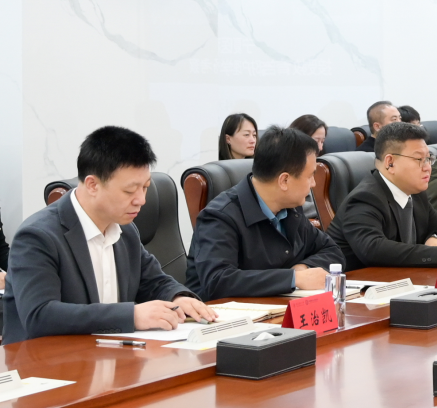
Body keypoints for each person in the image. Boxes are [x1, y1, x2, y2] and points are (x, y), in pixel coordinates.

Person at [2, 127, 214, 344]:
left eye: (145, 187)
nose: (141, 200)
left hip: (108, 354)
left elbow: (153, 282)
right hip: (44, 360)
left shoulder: (126, 230)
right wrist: (132, 316)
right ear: (93, 185)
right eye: (129, 191)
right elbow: (40, 316)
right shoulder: (37, 236)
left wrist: (178, 297)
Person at [186, 126, 342, 299]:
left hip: (277, 307)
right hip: (223, 313)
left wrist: (303, 268)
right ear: (284, 180)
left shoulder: (290, 209)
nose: (313, 184)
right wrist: (293, 278)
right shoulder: (219, 216)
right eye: (310, 176)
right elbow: (218, 281)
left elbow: (331, 250)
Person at [327, 122, 437, 270]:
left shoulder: (416, 193)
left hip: (405, 277)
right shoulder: (364, 198)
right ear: (390, 162)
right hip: (361, 281)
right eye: (419, 159)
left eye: (428, 158)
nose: (427, 167)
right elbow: (373, 249)